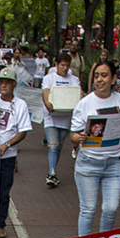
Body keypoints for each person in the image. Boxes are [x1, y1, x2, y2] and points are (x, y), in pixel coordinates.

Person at [70, 59, 120, 236]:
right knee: (88, 209)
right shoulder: (84, 103)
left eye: (104, 75)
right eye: (97, 76)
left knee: (111, 208)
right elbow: (73, 136)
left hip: (115, 164)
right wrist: (80, 137)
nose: (99, 80)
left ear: (113, 79)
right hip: (88, 163)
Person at [0, 66, 32, 238]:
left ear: (14, 84)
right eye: (1, 82)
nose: (3, 85)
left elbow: (23, 131)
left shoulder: (20, 105)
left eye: (7, 82)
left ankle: (0, 225)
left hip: (7, 157)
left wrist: (6, 145)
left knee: (3, 192)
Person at [40, 50, 81, 187]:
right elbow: (45, 91)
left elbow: (78, 93)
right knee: (53, 145)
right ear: (56, 64)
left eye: (67, 65)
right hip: (51, 117)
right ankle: (51, 173)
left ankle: (53, 171)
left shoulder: (74, 79)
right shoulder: (49, 78)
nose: (65, 68)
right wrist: (47, 103)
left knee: (59, 147)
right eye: (62, 65)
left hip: (65, 117)